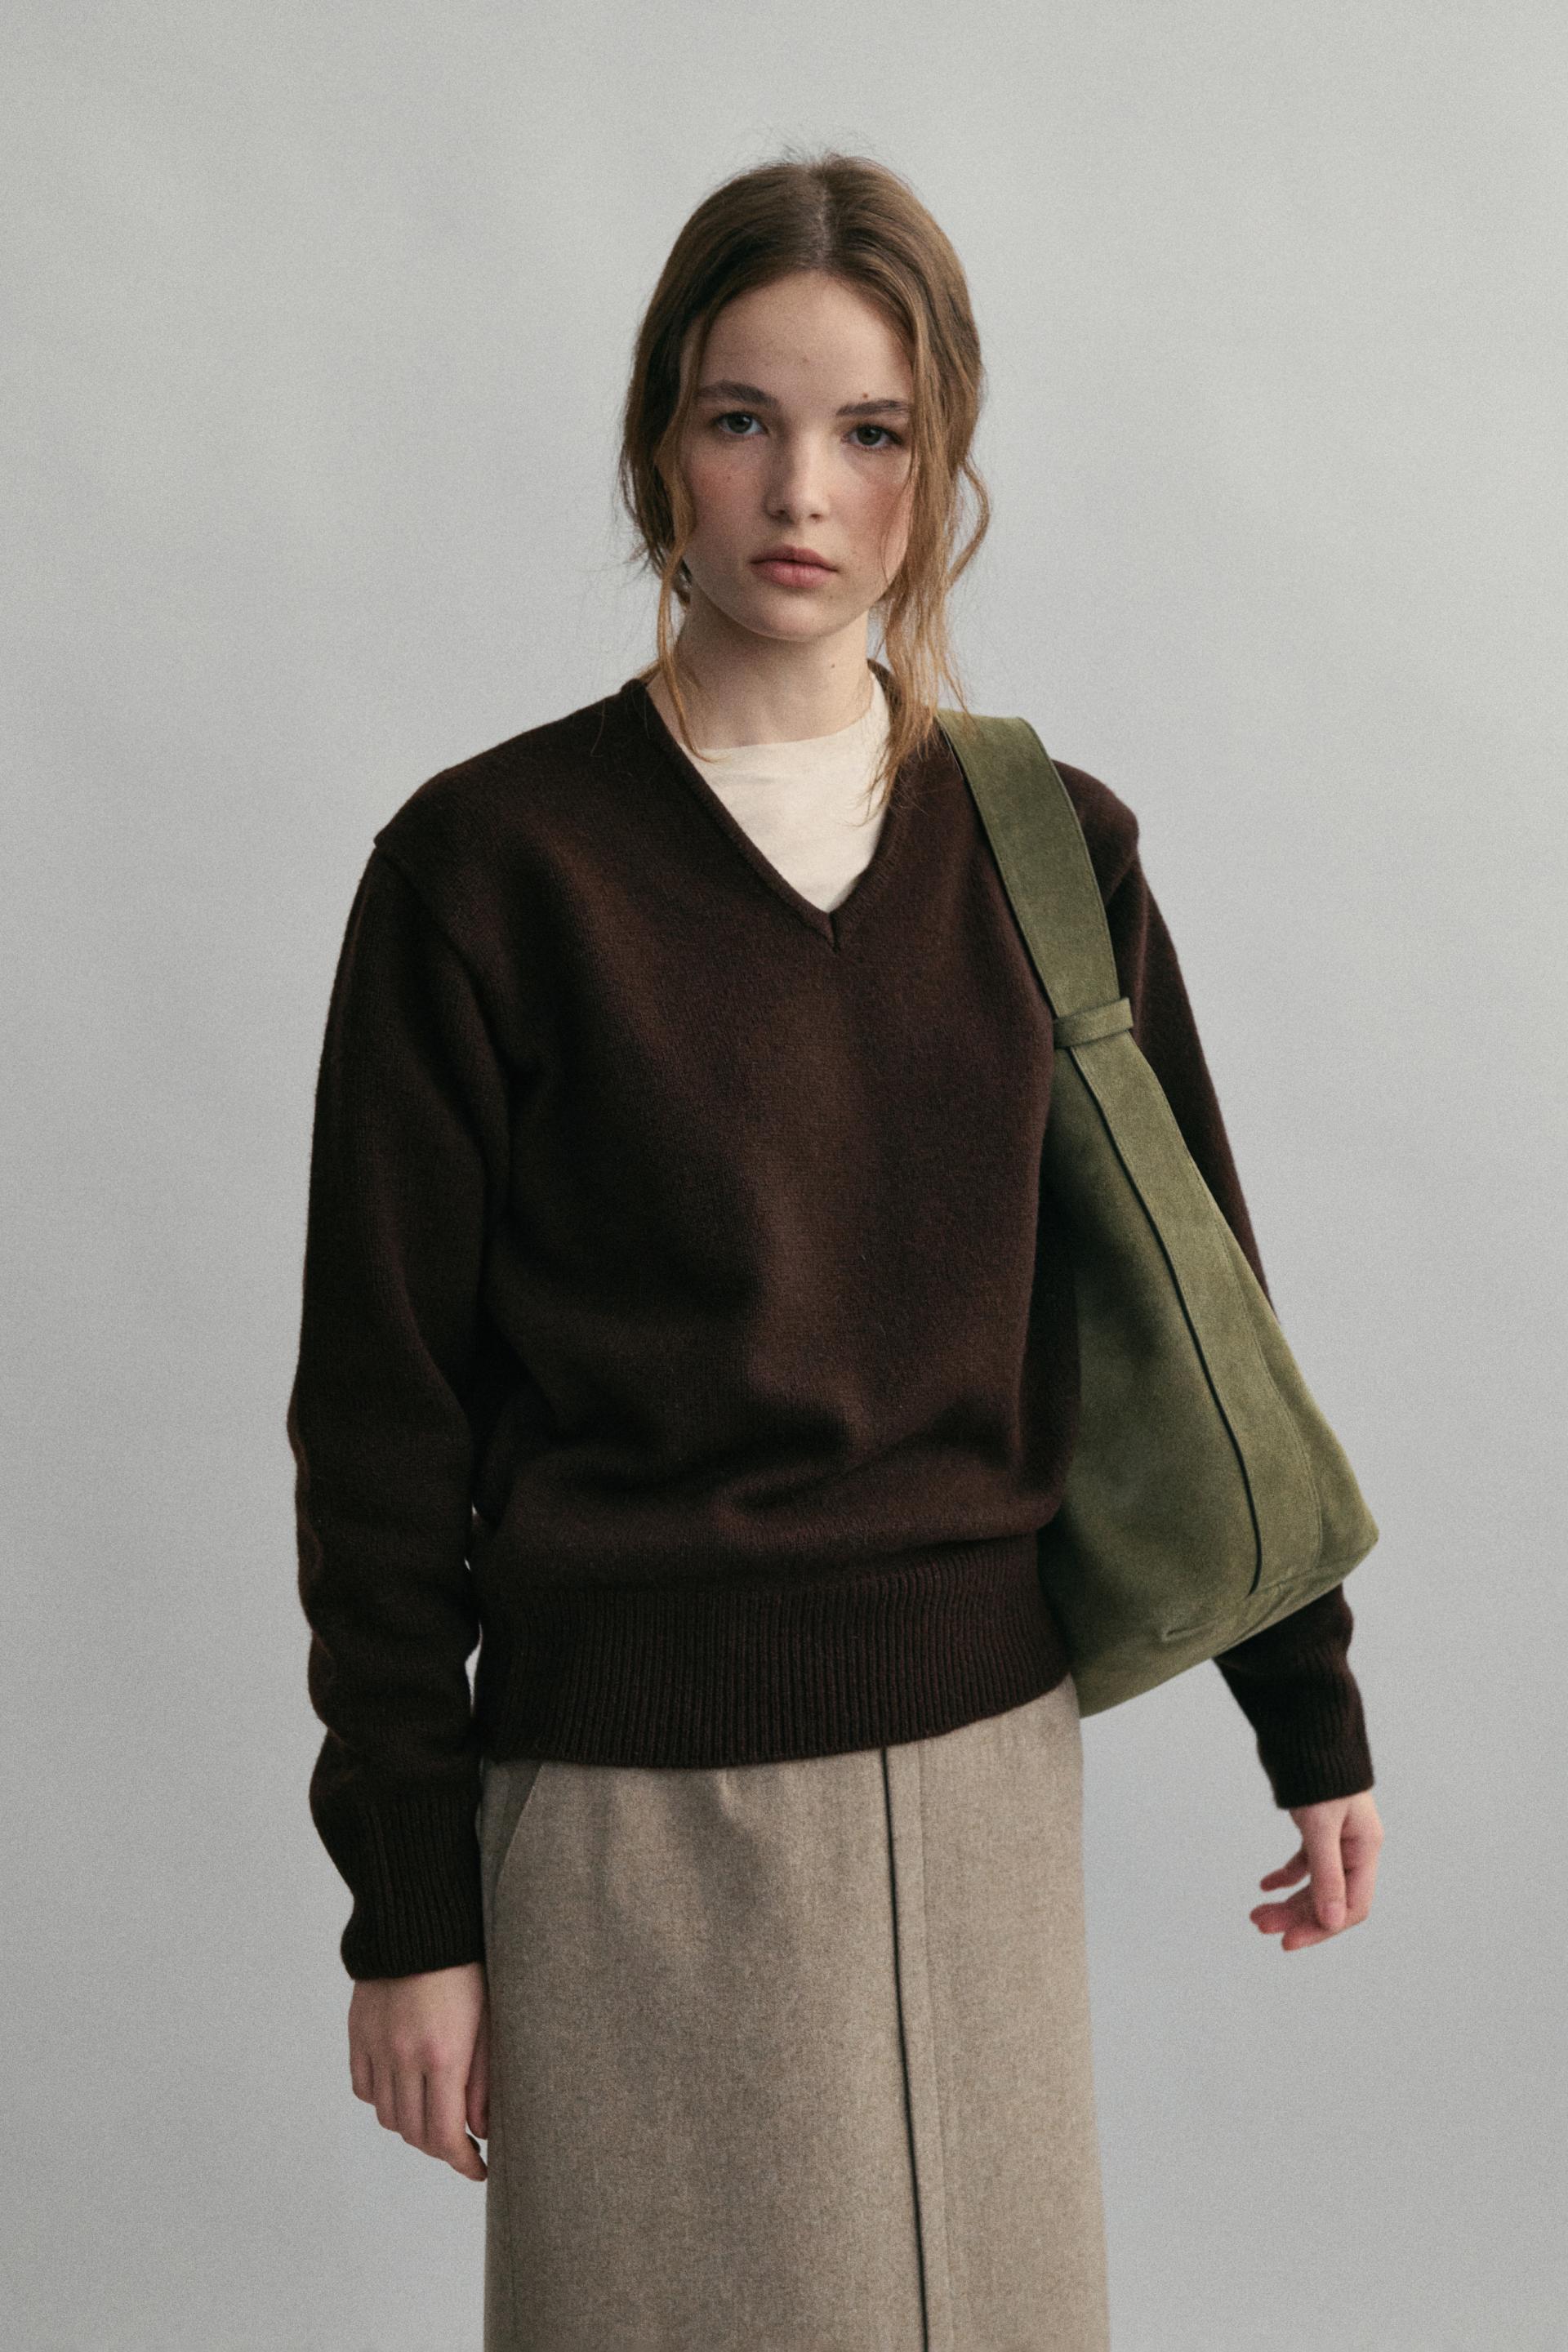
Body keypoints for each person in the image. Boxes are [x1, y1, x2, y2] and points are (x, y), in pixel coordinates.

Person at [287, 149, 1383, 2352]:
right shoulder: (488, 874)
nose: (803, 488)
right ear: (657, 446)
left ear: (938, 471)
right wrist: (409, 1908)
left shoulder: (1047, 849)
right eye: (742, 418)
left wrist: (1311, 1709)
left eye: (873, 432)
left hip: (983, 1784)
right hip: (629, 1823)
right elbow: (383, 1436)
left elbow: (1195, 1303)